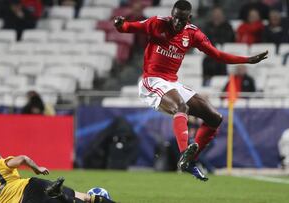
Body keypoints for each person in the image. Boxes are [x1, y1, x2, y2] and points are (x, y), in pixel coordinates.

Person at [113, 0, 268, 181]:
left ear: (189, 18)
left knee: (214, 118)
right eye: (175, 18)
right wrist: (119, 24)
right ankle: (184, 152)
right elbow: (128, 27)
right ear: (172, 14)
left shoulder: (193, 33)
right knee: (181, 107)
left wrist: (246, 60)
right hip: (152, 80)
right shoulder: (157, 23)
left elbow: (217, 55)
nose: (177, 23)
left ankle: (189, 160)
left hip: (172, 82)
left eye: (182, 20)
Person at [0, 150, 116, 203]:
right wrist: (37, 168)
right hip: (32, 186)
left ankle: (60, 196)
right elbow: (23, 158)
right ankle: (60, 195)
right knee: (84, 197)